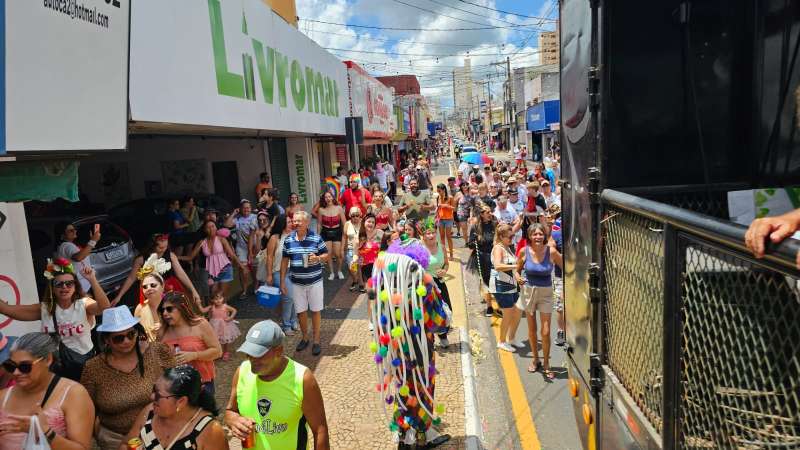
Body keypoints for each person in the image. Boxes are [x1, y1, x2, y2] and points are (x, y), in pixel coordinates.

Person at [225, 320, 330, 450]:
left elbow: (320, 429)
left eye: (258, 354)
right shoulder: (241, 372)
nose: (251, 359)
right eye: (249, 353)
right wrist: (233, 420)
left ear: (279, 351)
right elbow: (230, 411)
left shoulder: (303, 379)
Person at [81, 306, 176, 450]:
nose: (126, 341)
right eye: (118, 338)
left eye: (131, 334)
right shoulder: (93, 368)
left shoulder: (156, 352)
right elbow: (86, 408)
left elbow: (177, 386)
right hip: (115, 439)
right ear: (107, 340)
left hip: (158, 432)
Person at [0, 260, 110, 380]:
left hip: (84, 365)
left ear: (75, 286)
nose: (64, 287)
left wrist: (92, 279)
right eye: (59, 284)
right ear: (52, 287)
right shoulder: (45, 309)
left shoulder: (83, 304)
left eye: (69, 283)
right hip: (56, 368)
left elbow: (104, 308)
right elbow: (7, 310)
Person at [0, 332, 95, 449]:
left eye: (24, 367)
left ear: (48, 360)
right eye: (11, 366)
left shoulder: (73, 394)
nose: (16, 372)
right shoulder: (3, 396)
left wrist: (45, 432)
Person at [121, 365, 228, 450]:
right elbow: (126, 444)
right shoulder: (150, 412)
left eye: (158, 395)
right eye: (154, 389)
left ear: (181, 402)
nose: (152, 397)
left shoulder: (210, 431)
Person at [515, 223, 562, 379]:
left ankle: (546, 363)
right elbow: (516, 270)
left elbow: (567, 268)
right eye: (534, 234)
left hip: (546, 293)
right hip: (529, 292)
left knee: (546, 331)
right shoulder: (524, 251)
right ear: (529, 236)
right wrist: (518, 277)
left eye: (540, 234)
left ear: (545, 236)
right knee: (532, 329)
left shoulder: (552, 252)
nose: (538, 237)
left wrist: (564, 289)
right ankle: (536, 360)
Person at [280, 211, 329, 357]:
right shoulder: (288, 240)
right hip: (296, 283)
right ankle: (305, 338)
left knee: (315, 311)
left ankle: (316, 341)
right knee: (300, 312)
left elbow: (327, 255)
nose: (295, 223)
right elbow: (284, 261)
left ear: (307, 223)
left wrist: (318, 258)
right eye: (294, 221)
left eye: (299, 221)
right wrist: (282, 281)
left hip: (315, 282)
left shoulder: (316, 237)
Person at [159, 292, 222, 395]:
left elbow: (218, 352)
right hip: (174, 386)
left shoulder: (200, 324)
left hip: (202, 384)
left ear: (181, 308)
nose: (165, 313)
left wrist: (194, 355)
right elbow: (159, 360)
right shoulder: (162, 331)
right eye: (163, 310)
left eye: (169, 309)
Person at [113, 233, 201, 307]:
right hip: (150, 292)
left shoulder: (171, 256)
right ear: (152, 244)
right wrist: (119, 296)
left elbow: (181, 274)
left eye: (165, 244)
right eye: (160, 245)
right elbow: (131, 278)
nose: (163, 247)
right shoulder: (141, 260)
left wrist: (194, 291)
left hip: (168, 290)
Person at [183, 219, 245, 299]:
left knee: (221, 296)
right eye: (208, 227)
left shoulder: (221, 239)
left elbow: (232, 254)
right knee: (213, 295)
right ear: (205, 230)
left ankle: (224, 307)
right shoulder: (202, 242)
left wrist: (241, 266)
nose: (211, 229)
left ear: (216, 228)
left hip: (225, 269)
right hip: (212, 273)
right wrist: (174, 256)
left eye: (213, 226)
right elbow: (190, 257)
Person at [263, 215, 298, 336]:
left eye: (291, 221)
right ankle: (286, 325)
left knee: (295, 297)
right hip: (278, 272)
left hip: (294, 271)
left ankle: (293, 321)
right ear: (282, 224)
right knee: (288, 298)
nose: (291, 223)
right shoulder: (275, 238)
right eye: (289, 222)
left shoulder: (294, 236)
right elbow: (269, 257)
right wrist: (269, 275)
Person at [490, 224, 523, 353]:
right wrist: (516, 265)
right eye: (509, 237)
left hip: (511, 284)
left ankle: (512, 338)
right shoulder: (498, 248)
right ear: (501, 236)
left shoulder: (507, 247)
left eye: (513, 236)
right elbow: (498, 266)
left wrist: (518, 277)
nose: (512, 238)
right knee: (508, 314)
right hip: (501, 285)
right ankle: (502, 341)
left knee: (517, 311)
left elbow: (512, 267)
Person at [421, 218, 452, 347]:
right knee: (428, 312)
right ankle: (429, 339)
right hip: (426, 285)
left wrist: (444, 271)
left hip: (440, 283)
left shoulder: (442, 247)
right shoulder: (420, 249)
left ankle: (443, 335)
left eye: (433, 232)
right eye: (428, 233)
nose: (431, 235)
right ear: (423, 236)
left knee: (445, 309)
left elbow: (446, 264)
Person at [467, 203, 499, 317]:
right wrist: (474, 240)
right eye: (487, 212)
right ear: (482, 214)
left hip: (494, 256)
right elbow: (470, 245)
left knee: (496, 282)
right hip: (482, 258)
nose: (490, 214)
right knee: (486, 282)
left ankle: (499, 305)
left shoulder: (495, 224)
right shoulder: (475, 227)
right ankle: (489, 306)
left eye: (490, 212)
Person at [54, 221, 100, 294]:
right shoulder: (66, 246)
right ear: (62, 235)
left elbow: (83, 254)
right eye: (71, 230)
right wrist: (93, 241)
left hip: (83, 284)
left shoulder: (67, 245)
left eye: (74, 229)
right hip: (81, 287)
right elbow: (78, 258)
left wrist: (92, 242)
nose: (75, 231)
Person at [358, 214, 382, 325]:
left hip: (380, 267)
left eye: (373, 222)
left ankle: (381, 316)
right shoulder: (360, 236)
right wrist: (355, 259)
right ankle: (371, 320)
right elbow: (356, 253)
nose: (371, 224)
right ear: (364, 222)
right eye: (368, 221)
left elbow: (389, 245)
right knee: (371, 294)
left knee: (380, 293)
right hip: (366, 269)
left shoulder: (380, 233)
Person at [201, 292, 240, 361]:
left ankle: (226, 352)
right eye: (216, 299)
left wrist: (231, 317)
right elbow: (203, 310)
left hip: (224, 325)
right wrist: (198, 303)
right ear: (212, 300)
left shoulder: (225, 306)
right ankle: (218, 352)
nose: (218, 300)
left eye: (220, 298)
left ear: (223, 298)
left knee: (225, 339)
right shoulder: (211, 307)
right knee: (216, 340)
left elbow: (234, 310)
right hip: (214, 326)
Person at [317, 191, 346, 280]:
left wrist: (346, 234)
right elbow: (319, 224)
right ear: (324, 199)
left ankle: (339, 271)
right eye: (326, 197)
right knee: (328, 254)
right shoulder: (321, 209)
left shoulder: (339, 208)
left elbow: (344, 223)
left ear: (332, 197)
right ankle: (332, 273)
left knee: (338, 254)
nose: (328, 198)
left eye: (329, 196)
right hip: (325, 232)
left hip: (337, 232)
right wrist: (317, 236)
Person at [343, 207, 363, 292]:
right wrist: (342, 249)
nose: (355, 217)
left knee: (359, 267)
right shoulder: (347, 224)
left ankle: (361, 284)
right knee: (351, 267)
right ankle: (355, 279)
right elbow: (344, 237)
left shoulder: (363, 223)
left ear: (360, 215)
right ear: (350, 216)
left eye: (357, 215)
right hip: (350, 249)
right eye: (353, 215)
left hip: (361, 249)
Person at [435, 183, 456, 259]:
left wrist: (446, 206)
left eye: (439, 191)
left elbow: (454, 208)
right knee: (442, 237)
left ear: (444, 190)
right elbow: (438, 208)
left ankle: (451, 254)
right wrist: (436, 217)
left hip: (448, 219)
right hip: (440, 219)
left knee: (448, 237)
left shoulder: (450, 197)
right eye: (438, 191)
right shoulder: (438, 197)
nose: (439, 192)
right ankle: (444, 254)